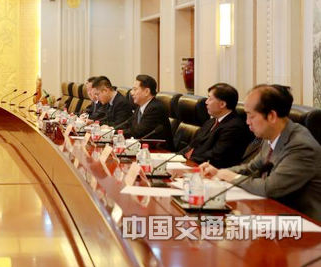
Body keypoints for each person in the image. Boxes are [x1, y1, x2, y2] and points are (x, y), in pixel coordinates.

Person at [200, 84, 321, 222]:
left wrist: (232, 177)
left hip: (305, 224)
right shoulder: (270, 136)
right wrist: (219, 172)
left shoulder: (301, 146)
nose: (247, 122)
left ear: (271, 116)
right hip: (273, 213)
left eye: (251, 116)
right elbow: (251, 168)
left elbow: (270, 188)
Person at [183, 83, 254, 168]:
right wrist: (176, 157)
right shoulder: (211, 122)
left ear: (222, 104)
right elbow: (192, 145)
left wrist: (188, 161)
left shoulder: (234, 127)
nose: (206, 102)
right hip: (192, 164)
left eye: (210, 99)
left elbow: (216, 155)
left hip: (211, 169)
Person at [116, 74, 172, 149]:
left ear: (146, 92)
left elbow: (139, 132)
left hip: (161, 151)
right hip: (144, 149)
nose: (131, 93)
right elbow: (129, 124)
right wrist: (111, 129)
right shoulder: (140, 107)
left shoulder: (155, 108)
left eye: (135, 89)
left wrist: (116, 133)